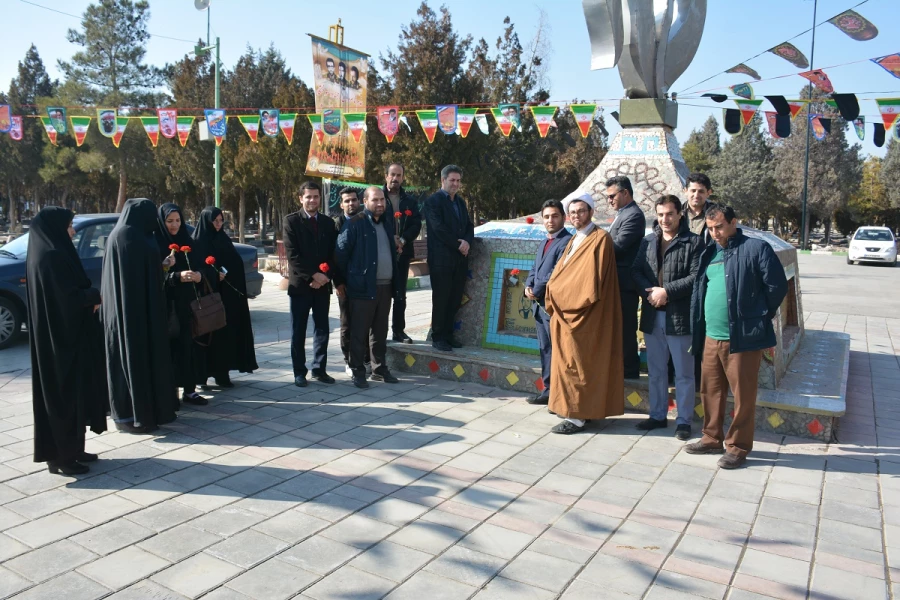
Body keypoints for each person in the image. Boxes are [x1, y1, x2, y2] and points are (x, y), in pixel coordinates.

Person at [685, 204, 788, 469]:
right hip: (711, 336)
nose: (715, 233)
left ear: (734, 222)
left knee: (743, 395)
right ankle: (711, 437)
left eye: (719, 226)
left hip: (741, 338)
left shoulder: (755, 248)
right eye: (710, 228)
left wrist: (758, 316)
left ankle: (738, 446)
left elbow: (777, 286)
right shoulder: (710, 251)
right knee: (710, 390)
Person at [27, 207, 107, 475]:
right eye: (70, 226)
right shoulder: (49, 257)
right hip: (58, 342)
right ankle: (60, 457)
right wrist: (93, 296)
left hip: (69, 337)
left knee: (77, 395)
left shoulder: (53, 252)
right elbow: (66, 298)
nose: (72, 231)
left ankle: (74, 449)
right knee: (63, 397)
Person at [544, 193, 624, 434]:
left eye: (581, 211)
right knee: (567, 363)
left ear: (591, 212)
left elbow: (588, 282)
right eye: (573, 212)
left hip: (584, 314)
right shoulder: (575, 238)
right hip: (567, 313)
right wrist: (553, 289)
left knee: (579, 365)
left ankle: (578, 416)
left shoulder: (600, 238)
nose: (576, 215)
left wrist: (557, 292)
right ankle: (569, 408)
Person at [103, 198, 179, 433]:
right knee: (131, 361)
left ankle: (146, 411)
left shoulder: (131, 234)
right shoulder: (129, 236)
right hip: (131, 315)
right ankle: (131, 415)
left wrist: (161, 265)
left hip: (136, 311)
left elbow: (141, 272)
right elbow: (132, 278)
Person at [632, 195, 701, 440]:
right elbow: (636, 271)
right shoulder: (648, 242)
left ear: (679, 214)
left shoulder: (693, 242)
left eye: (669, 214)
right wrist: (650, 294)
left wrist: (667, 292)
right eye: (660, 215)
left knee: (683, 373)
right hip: (653, 316)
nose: (665, 219)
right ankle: (658, 415)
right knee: (656, 371)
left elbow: (696, 277)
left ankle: (683, 421)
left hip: (679, 318)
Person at [336, 187, 404, 388]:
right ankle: (357, 370)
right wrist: (341, 282)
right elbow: (340, 254)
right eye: (375, 200)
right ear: (365, 202)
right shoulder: (355, 224)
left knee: (380, 332)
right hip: (363, 289)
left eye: (382, 200)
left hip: (385, 288)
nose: (380, 204)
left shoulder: (386, 223)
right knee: (359, 332)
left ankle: (379, 369)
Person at [155, 203, 217, 406]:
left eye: (178, 220)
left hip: (188, 305)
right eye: (169, 221)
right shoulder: (156, 243)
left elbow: (203, 268)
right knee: (170, 349)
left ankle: (190, 390)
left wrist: (199, 275)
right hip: (166, 306)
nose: (174, 225)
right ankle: (169, 392)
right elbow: (152, 278)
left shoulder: (188, 241)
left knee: (188, 347)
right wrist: (174, 275)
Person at [193, 206, 258, 386]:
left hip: (226, 298)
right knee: (207, 336)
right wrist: (213, 275)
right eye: (215, 221)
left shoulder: (223, 239)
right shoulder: (198, 242)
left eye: (221, 221)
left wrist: (225, 272)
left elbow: (234, 262)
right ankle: (202, 376)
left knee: (224, 336)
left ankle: (222, 374)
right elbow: (196, 268)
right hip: (207, 299)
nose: (218, 224)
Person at [283, 181, 338, 387]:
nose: (312, 200)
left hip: (322, 285)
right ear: (301, 198)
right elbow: (292, 256)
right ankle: (299, 371)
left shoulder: (327, 223)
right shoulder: (291, 222)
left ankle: (319, 368)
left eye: (315, 196)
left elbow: (335, 253)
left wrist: (325, 276)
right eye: (308, 197)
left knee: (322, 328)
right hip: (301, 286)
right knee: (298, 330)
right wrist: (312, 276)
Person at [523, 199, 572, 405]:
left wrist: (537, 288)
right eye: (546, 217)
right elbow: (535, 268)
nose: (550, 220)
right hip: (538, 305)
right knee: (545, 348)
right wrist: (527, 285)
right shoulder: (545, 241)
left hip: (554, 305)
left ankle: (560, 391)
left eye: (554, 216)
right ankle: (548, 388)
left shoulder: (568, 241)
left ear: (563, 217)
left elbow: (556, 272)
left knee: (558, 349)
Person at [425, 165, 474, 352]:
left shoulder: (460, 202)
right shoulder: (433, 202)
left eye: (458, 180)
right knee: (441, 298)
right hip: (441, 260)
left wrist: (468, 242)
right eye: (452, 180)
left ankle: (448, 334)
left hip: (460, 260)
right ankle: (438, 336)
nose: (455, 184)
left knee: (454, 299)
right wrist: (458, 244)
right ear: (443, 180)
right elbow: (438, 229)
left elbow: (469, 226)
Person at [605, 175, 646, 379]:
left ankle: (629, 369)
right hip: (615, 282)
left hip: (625, 283)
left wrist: (594, 244)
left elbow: (618, 247)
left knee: (625, 327)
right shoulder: (623, 213)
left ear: (625, 193)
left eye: (612, 196)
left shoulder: (634, 215)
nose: (609, 200)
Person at [383, 162, 422, 344]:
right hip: (382, 252)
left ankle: (398, 331)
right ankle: (378, 331)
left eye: (399, 175)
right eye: (392, 175)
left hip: (403, 252)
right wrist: (390, 238)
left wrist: (403, 240)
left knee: (400, 293)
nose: (395, 178)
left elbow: (416, 224)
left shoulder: (409, 201)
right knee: (382, 293)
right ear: (386, 176)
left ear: (402, 178)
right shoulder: (378, 197)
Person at [331, 187, 367, 375]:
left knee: (364, 321)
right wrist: (337, 283)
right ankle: (348, 359)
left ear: (359, 201)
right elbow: (334, 257)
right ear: (341, 204)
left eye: (354, 200)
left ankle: (364, 358)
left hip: (363, 282)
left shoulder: (364, 221)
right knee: (347, 323)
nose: (351, 203)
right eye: (347, 201)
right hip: (344, 283)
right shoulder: (336, 225)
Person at [684, 172, 714, 241]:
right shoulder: (677, 213)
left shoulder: (717, 215)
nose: (696, 195)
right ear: (685, 191)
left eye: (701, 191)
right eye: (693, 191)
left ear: (708, 193)